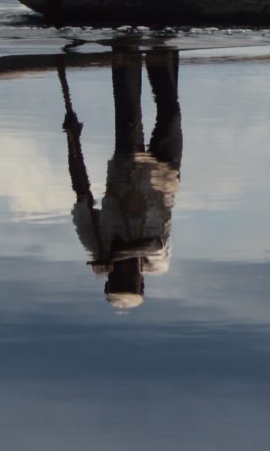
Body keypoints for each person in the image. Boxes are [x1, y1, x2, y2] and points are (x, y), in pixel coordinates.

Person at [62, 45, 184, 310]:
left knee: (129, 108)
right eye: (131, 282)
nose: (125, 275)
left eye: (118, 281)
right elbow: (154, 243)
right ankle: (160, 46)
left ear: (107, 281)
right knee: (170, 112)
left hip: (126, 167)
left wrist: (72, 140)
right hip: (164, 175)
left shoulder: (96, 245)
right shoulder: (157, 263)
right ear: (142, 283)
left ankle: (126, 43)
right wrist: (118, 254)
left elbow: (82, 192)